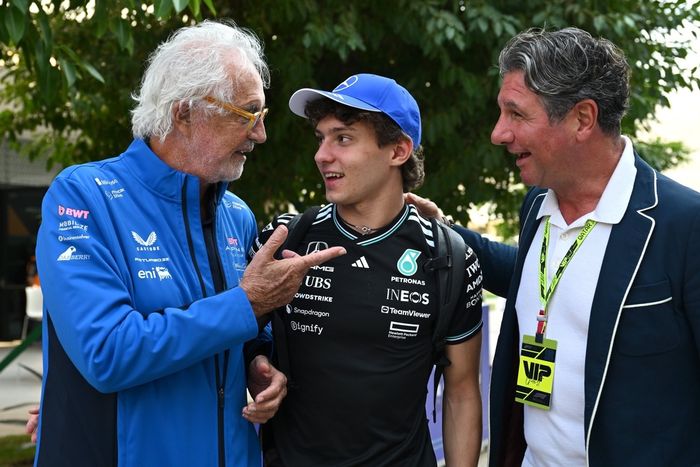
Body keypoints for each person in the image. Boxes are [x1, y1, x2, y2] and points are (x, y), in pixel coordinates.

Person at [30, 20, 344, 467]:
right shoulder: (83, 196)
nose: (260, 134)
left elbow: (236, 331)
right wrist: (248, 303)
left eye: (262, 115)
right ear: (185, 113)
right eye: (247, 114)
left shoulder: (236, 214)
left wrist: (257, 363)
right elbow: (107, 353)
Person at [412, 27, 700, 466]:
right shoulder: (538, 204)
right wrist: (444, 234)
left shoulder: (684, 224)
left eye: (516, 114)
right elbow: (538, 278)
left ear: (582, 119)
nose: (498, 133)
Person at [252, 74, 484, 466]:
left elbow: (461, 392)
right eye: (320, 138)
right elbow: (240, 335)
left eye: (342, 138)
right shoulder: (284, 240)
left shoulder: (451, 258)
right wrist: (254, 365)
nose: (322, 155)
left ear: (398, 151)